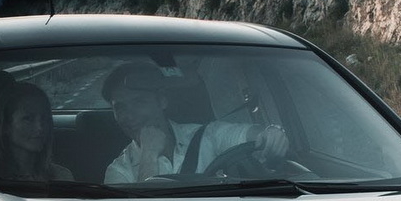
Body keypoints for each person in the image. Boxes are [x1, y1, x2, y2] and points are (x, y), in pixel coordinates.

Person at [101, 60, 289, 183]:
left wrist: (272, 133)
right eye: (120, 108)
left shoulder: (207, 135)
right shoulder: (119, 172)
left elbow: (248, 135)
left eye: (139, 102)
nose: (129, 115)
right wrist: (149, 154)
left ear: (162, 101)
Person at [0, 82, 73, 181]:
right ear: (5, 126)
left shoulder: (62, 176)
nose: (40, 127)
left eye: (44, 118)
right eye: (28, 119)